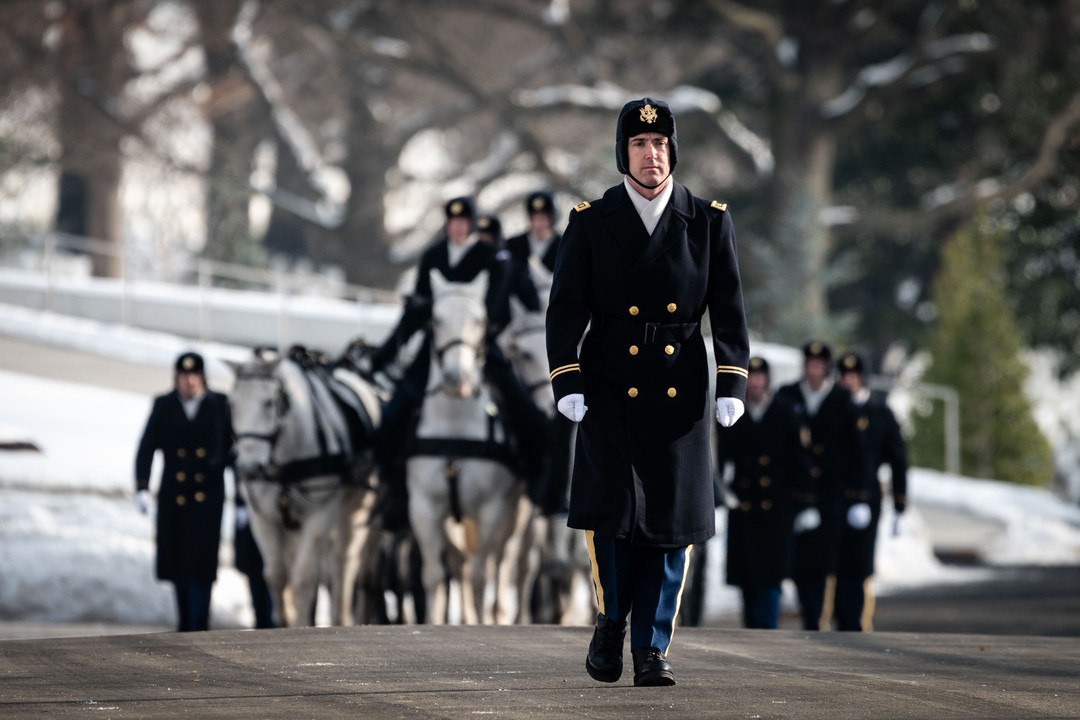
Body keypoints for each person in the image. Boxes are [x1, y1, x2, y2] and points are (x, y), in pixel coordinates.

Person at [546, 98, 749, 686]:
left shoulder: (708, 220)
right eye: (639, 144)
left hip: (679, 385)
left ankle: (652, 648)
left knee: (670, 524)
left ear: (672, 152)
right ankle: (612, 620)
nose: (651, 153)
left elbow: (730, 311)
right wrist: (567, 376)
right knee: (612, 516)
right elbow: (564, 309)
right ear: (623, 154)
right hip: (609, 383)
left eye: (660, 143)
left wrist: (731, 377)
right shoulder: (590, 220)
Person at [363, 196, 542, 529]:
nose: (457, 227)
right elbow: (414, 313)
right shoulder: (433, 255)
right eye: (452, 222)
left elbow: (499, 307)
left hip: (484, 352)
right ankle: (391, 491)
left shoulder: (492, 257)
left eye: (464, 222)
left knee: (528, 413)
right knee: (391, 416)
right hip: (434, 353)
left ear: (473, 225)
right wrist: (381, 357)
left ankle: (535, 484)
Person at [135, 351, 234, 632]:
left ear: (202, 377)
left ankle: (199, 625)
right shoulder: (164, 405)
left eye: (194, 376)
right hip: (173, 497)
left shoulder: (220, 404)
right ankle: (184, 625)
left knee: (202, 566)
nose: (189, 382)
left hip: (208, 497)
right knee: (178, 564)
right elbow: (146, 447)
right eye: (183, 376)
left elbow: (235, 451)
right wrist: (142, 486)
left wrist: (242, 500)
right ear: (176, 378)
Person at [775, 341, 865, 631]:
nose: (814, 370)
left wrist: (858, 494)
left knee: (830, 557)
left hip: (831, 494)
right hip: (798, 492)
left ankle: (836, 619)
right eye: (809, 364)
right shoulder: (789, 395)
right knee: (803, 561)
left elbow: (857, 450)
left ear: (827, 367)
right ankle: (810, 617)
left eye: (819, 365)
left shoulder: (841, 398)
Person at [717, 356, 807, 629]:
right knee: (747, 578)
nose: (755, 382)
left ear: (767, 379)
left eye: (759, 376)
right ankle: (752, 627)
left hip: (776, 507)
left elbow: (798, 458)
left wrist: (805, 502)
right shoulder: (733, 413)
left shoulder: (784, 410)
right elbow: (721, 457)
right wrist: (720, 493)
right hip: (744, 504)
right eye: (750, 377)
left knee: (771, 577)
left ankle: (767, 631)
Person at [834, 351, 909, 631]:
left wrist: (900, 504)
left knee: (860, 566)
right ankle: (839, 621)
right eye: (845, 376)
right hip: (837, 499)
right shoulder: (834, 409)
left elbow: (898, 460)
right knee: (836, 565)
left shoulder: (880, 413)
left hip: (867, 497)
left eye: (854, 376)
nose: (849, 381)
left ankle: (856, 624)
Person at [233, 491, 275, 629]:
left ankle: (273, 620)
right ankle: (260, 621)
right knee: (254, 574)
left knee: (274, 573)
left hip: (273, 514)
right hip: (249, 511)